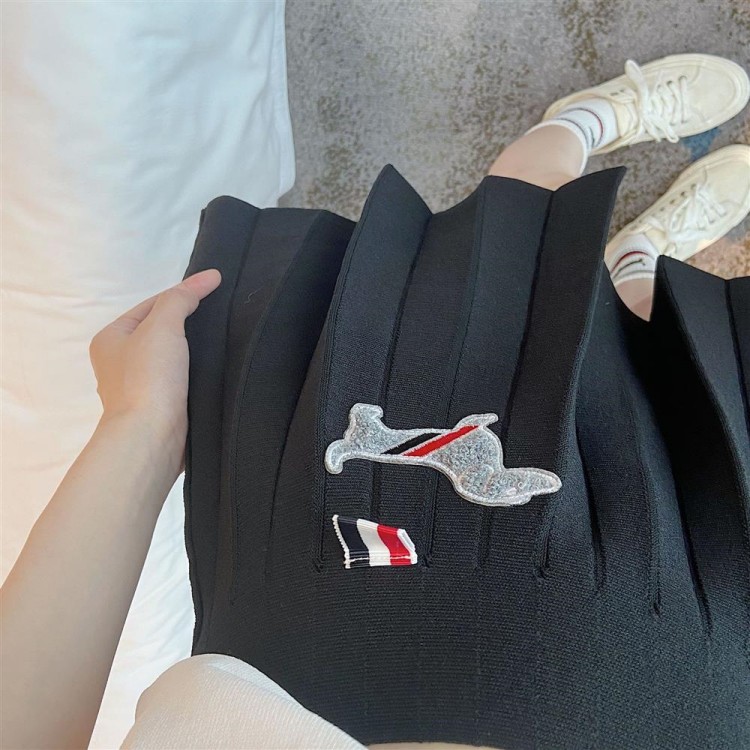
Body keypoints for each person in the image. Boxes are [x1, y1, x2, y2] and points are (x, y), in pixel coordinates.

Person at [1, 53, 748, 750]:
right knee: (680, 396)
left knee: (509, 272)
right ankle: (640, 262)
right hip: (704, 684)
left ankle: (572, 130)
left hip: (333, 626)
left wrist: (143, 424)